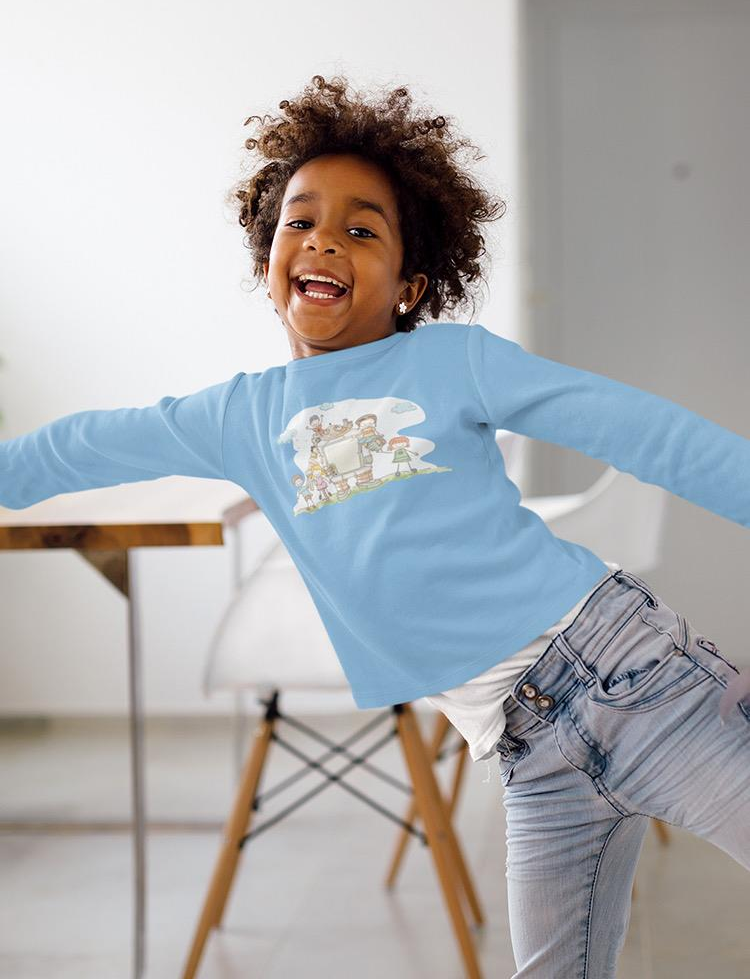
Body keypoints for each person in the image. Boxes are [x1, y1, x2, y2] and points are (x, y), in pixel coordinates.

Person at [2, 72, 749, 978]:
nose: (323, 240)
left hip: (628, 679)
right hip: (524, 753)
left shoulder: (450, 361)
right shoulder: (240, 416)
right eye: (299, 222)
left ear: (411, 284)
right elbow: (92, 444)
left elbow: (639, 431)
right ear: (267, 261)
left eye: (362, 230)